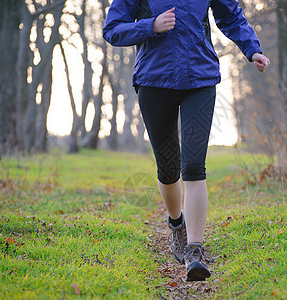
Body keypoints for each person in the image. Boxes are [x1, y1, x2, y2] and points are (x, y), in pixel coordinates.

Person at [103, 0, 269, 281]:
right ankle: (176, 223)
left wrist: (253, 50)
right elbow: (113, 30)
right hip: (154, 82)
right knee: (168, 168)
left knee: (193, 165)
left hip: (200, 79)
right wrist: (150, 26)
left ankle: (194, 249)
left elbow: (231, 17)